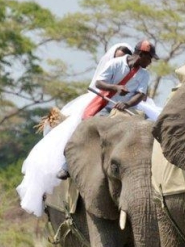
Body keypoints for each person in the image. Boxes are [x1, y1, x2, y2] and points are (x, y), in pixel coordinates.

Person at [17, 43, 133, 216]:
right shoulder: (104, 77)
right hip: (100, 102)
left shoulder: (137, 75)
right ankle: (66, 164)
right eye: (117, 57)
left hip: (126, 104)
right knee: (78, 126)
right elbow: (100, 86)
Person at [84, 39, 158, 117]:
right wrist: (116, 87)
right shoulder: (115, 63)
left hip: (129, 111)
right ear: (141, 54)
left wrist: (127, 104)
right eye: (149, 58)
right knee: (91, 124)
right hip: (107, 107)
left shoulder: (145, 74)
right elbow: (98, 83)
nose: (150, 62)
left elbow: (140, 94)